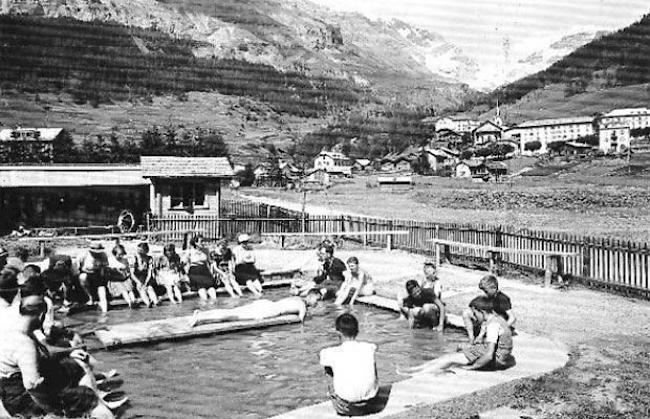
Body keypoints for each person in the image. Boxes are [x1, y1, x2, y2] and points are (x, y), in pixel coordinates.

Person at [0, 295, 120, 419]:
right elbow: (32, 387)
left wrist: (69, 353)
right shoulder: (25, 344)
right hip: (22, 400)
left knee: (73, 367)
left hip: (10, 388)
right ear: (41, 315)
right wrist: (55, 411)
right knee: (85, 396)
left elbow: (44, 353)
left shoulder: (16, 329)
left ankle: (93, 402)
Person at [400, 296, 514, 375]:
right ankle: (416, 369)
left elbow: (489, 355)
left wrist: (471, 367)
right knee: (452, 354)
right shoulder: (497, 319)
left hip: (497, 360)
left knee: (449, 359)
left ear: (482, 311)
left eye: (475, 313)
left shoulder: (493, 325)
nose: (474, 317)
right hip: (499, 355)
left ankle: (418, 373)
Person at [319, 313, 383, 416]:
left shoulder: (330, 352)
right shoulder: (369, 347)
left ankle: (337, 395)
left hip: (346, 407)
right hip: (371, 403)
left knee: (328, 366)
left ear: (338, 333)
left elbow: (322, 357)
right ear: (357, 331)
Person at [188, 291, 321, 328]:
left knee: (231, 312)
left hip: (265, 304)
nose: (317, 303)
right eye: (317, 300)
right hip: (268, 311)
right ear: (310, 297)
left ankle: (201, 314)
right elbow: (301, 321)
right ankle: (200, 317)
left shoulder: (296, 298)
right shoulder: (302, 305)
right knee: (232, 316)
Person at [462, 274, 516, 343]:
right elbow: (472, 304)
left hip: (497, 323)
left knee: (490, 316)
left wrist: (503, 328)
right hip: (486, 321)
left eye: (486, 291)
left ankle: (480, 337)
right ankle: (471, 337)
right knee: (466, 312)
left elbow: (512, 318)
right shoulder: (486, 297)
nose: (484, 293)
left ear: (494, 288)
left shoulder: (502, 298)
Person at [78, 242, 110, 313]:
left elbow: (104, 268)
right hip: (86, 274)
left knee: (101, 289)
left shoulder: (103, 255)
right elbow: (78, 267)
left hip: (98, 274)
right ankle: (90, 297)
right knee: (82, 277)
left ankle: (104, 310)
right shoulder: (84, 255)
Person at [184, 235, 218, 301]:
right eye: (201, 241)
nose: (203, 243)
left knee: (211, 288)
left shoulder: (206, 250)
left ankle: (214, 304)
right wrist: (186, 275)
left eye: (204, 241)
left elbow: (210, 261)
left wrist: (213, 271)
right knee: (202, 288)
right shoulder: (189, 251)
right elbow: (184, 264)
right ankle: (204, 304)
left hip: (205, 271)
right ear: (195, 242)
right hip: (195, 272)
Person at [106, 244, 137, 309]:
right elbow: (108, 272)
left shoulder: (124, 260)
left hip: (124, 278)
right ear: (114, 254)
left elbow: (128, 270)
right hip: (115, 280)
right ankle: (129, 302)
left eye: (122, 254)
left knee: (129, 289)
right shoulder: (110, 260)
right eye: (119, 254)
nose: (121, 256)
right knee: (124, 290)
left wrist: (127, 274)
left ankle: (134, 300)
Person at [132, 242, 158, 307]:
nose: (139, 252)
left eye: (141, 250)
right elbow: (132, 274)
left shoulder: (149, 259)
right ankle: (147, 303)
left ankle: (155, 302)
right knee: (142, 289)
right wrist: (138, 282)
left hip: (145, 277)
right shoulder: (134, 258)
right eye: (138, 250)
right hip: (136, 279)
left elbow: (150, 272)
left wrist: (146, 282)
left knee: (150, 288)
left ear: (146, 251)